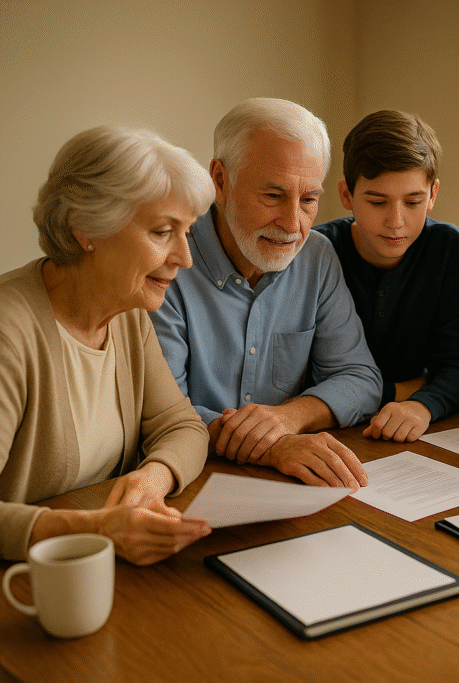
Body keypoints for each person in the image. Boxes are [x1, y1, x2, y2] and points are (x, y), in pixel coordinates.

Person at [0, 125, 215, 565]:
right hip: (25, 584)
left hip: (97, 570)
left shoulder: (128, 314)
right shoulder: (10, 331)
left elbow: (183, 426)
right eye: (161, 232)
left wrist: (152, 479)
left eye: (187, 233)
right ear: (86, 228)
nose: (185, 258)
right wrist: (98, 529)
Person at [150, 98, 382, 488]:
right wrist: (272, 447)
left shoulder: (317, 255)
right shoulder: (169, 260)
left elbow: (360, 378)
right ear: (220, 182)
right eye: (272, 196)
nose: (293, 223)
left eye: (309, 200)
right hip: (188, 482)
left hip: (290, 486)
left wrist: (289, 418)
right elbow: (162, 412)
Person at [315, 110, 459, 443]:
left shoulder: (448, 248)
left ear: (432, 194)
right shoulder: (318, 252)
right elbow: (307, 373)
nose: (396, 221)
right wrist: (400, 388)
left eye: (413, 201)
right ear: (346, 195)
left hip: (411, 429)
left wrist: (423, 403)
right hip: (330, 428)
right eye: (377, 202)